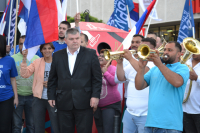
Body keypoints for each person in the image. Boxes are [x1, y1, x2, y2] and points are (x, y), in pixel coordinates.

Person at [47, 28, 102, 133]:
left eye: (77, 38)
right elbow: (52, 78)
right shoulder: (57, 55)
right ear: (66, 40)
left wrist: (95, 96)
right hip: (63, 102)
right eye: (72, 39)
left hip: (85, 102)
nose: (75, 41)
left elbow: (97, 78)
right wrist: (51, 96)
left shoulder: (90, 54)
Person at [135, 41, 189, 133]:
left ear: (179, 54)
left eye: (170, 50)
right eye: (165, 50)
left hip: (170, 126)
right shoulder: (155, 69)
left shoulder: (182, 68)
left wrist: (159, 64)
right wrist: (141, 68)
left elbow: (177, 82)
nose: (165, 52)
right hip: (150, 123)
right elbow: (139, 86)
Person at [116, 38, 156, 133]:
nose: (141, 48)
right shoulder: (132, 64)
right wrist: (119, 63)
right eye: (141, 46)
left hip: (146, 114)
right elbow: (121, 78)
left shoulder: (155, 64)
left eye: (145, 46)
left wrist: (130, 58)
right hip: (129, 113)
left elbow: (145, 72)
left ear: (154, 48)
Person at [20, 42, 60, 133]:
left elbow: (63, 79)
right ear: (41, 50)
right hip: (39, 99)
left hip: (54, 98)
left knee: (56, 125)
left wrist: (54, 85)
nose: (47, 50)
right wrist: (24, 59)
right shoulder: (37, 62)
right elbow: (24, 74)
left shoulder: (58, 62)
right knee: (38, 126)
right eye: (44, 48)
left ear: (53, 50)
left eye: (49, 48)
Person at [12, 36, 39, 133]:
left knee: (31, 125)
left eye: (25, 44)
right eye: (20, 44)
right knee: (16, 125)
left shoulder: (36, 58)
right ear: (18, 45)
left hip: (32, 96)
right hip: (17, 96)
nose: (23, 46)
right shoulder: (12, 59)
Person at [94, 48, 121, 133]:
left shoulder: (113, 68)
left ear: (109, 59)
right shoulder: (95, 69)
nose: (100, 58)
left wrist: (105, 72)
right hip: (97, 105)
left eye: (103, 56)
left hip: (111, 105)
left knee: (108, 129)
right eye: (99, 56)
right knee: (100, 129)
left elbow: (114, 82)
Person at [0, 35, 18, 133]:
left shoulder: (10, 60)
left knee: (5, 127)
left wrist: (16, 97)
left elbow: (13, 79)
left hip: (6, 98)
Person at [182, 38, 200, 133]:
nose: (194, 51)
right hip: (185, 108)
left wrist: (197, 78)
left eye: (197, 49)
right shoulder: (185, 63)